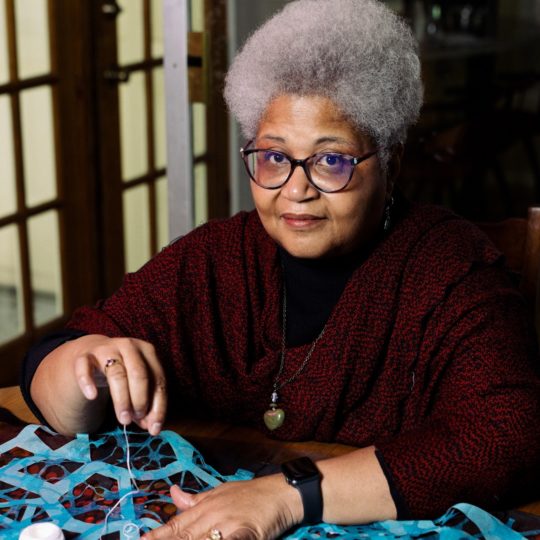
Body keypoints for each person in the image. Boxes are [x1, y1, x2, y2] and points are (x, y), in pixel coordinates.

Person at [21, 0, 540, 538]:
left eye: (330, 160)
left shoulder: (448, 267)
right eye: (273, 156)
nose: (296, 189)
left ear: (391, 161)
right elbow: (50, 370)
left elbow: (509, 435)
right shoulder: (215, 258)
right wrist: (85, 364)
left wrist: (290, 496)